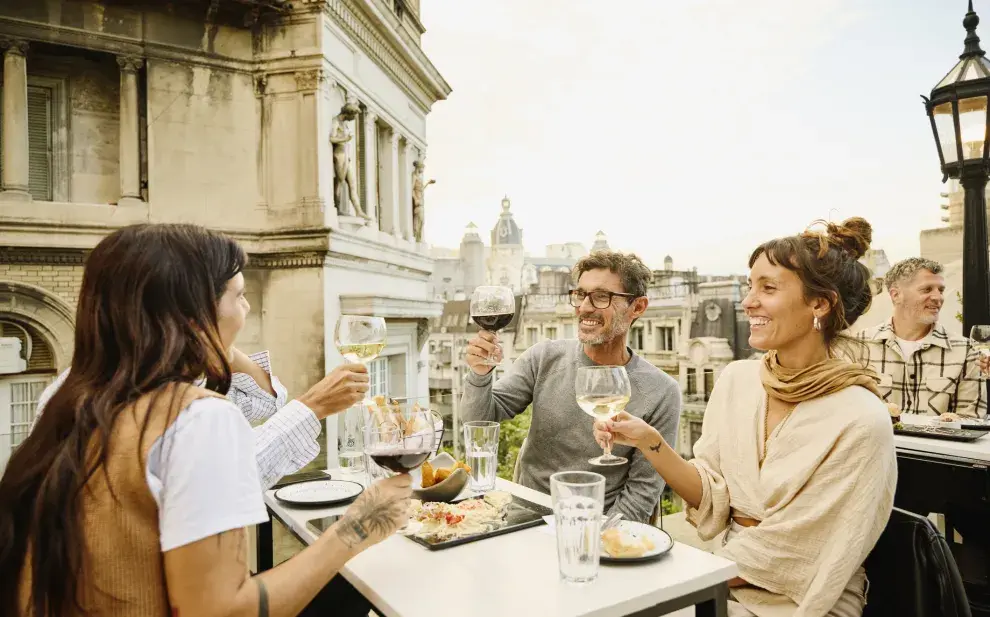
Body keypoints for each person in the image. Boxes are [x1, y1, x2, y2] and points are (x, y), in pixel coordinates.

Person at [0, 224, 409, 617]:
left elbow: (267, 402)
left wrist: (211, 347)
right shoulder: (199, 418)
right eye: (239, 296)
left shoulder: (68, 395)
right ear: (194, 315)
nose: (246, 309)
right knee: (361, 574)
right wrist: (357, 528)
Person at [595, 218, 896, 616]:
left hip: (800, 601)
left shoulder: (861, 418)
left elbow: (794, 554)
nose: (748, 301)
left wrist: (676, 579)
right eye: (749, 285)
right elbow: (712, 495)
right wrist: (649, 441)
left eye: (768, 288)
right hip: (724, 581)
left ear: (820, 304)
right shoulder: (738, 380)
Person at [461, 251, 681, 524]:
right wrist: (480, 374)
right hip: (524, 522)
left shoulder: (662, 391)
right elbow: (478, 421)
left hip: (597, 527)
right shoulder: (543, 357)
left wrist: (597, 538)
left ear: (637, 307)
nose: (585, 307)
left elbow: (640, 494)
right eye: (580, 294)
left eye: (601, 296)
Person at [854, 257, 985, 419]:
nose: (938, 297)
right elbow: (850, 412)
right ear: (896, 295)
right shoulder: (860, 345)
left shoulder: (966, 351)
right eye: (927, 289)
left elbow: (970, 422)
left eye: (941, 290)